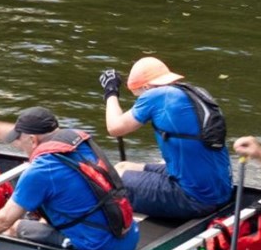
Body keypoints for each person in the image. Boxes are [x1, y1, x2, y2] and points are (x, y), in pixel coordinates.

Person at [0, 107, 139, 250]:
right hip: (128, 235)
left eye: (20, 140)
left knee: (14, 227)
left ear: (33, 140)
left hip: (100, 248)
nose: (18, 145)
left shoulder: (41, 171)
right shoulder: (75, 140)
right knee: (45, 214)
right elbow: (16, 138)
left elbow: (2, 220)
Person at [98, 56, 232, 219]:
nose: (139, 102)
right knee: (123, 167)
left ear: (146, 87)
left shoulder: (156, 95)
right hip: (222, 191)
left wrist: (110, 90)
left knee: (109, 180)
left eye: (138, 96)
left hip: (195, 199)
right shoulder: (194, 93)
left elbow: (115, 128)